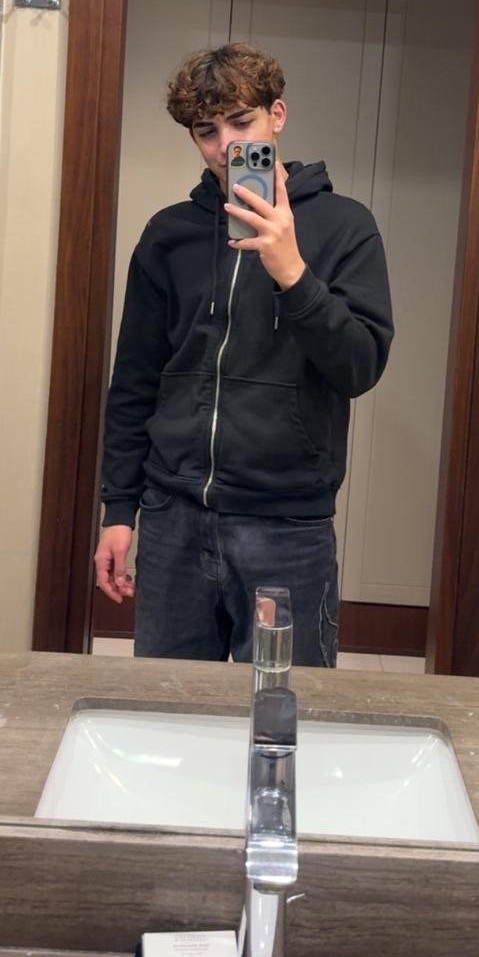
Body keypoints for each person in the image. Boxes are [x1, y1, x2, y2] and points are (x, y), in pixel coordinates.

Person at [93, 41, 394, 666]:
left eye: (241, 121)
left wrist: (293, 273)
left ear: (276, 115)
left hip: (286, 528)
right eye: (207, 131)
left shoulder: (345, 227)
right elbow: (135, 381)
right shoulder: (169, 235)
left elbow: (359, 365)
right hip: (174, 520)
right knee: (170, 710)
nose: (226, 144)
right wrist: (119, 509)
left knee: (283, 710)